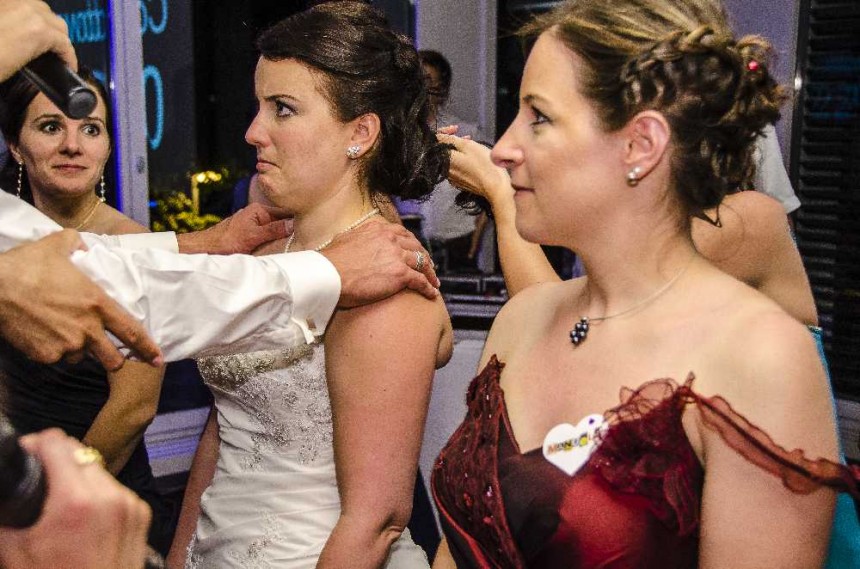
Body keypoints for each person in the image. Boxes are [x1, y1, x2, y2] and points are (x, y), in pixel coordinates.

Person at [429, 1, 859, 567]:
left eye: (539, 117)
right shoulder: (523, 318)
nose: (504, 149)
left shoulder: (760, 353)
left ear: (641, 145)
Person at [167, 4, 453, 568]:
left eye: (283, 109)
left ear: (360, 133)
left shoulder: (388, 280)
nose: (253, 132)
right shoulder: (266, 246)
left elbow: (375, 520)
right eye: (258, 106)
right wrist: (181, 557)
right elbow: (226, 425)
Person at [0, 67, 174, 553]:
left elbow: (134, 408)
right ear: (16, 146)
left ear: (108, 148)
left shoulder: (137, 246)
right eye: (50, 126)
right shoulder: (7, 246)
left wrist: (53, 502)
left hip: (100, 495)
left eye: (90, 129)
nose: (73, 145)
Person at [395, 50, 488, 273]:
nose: (421, 89)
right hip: (409, 240)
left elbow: (493, 182)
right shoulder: (397, 134)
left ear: (442, 89)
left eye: (427, 80)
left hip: (457, 242)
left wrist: (477, 236)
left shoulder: (465, 133)